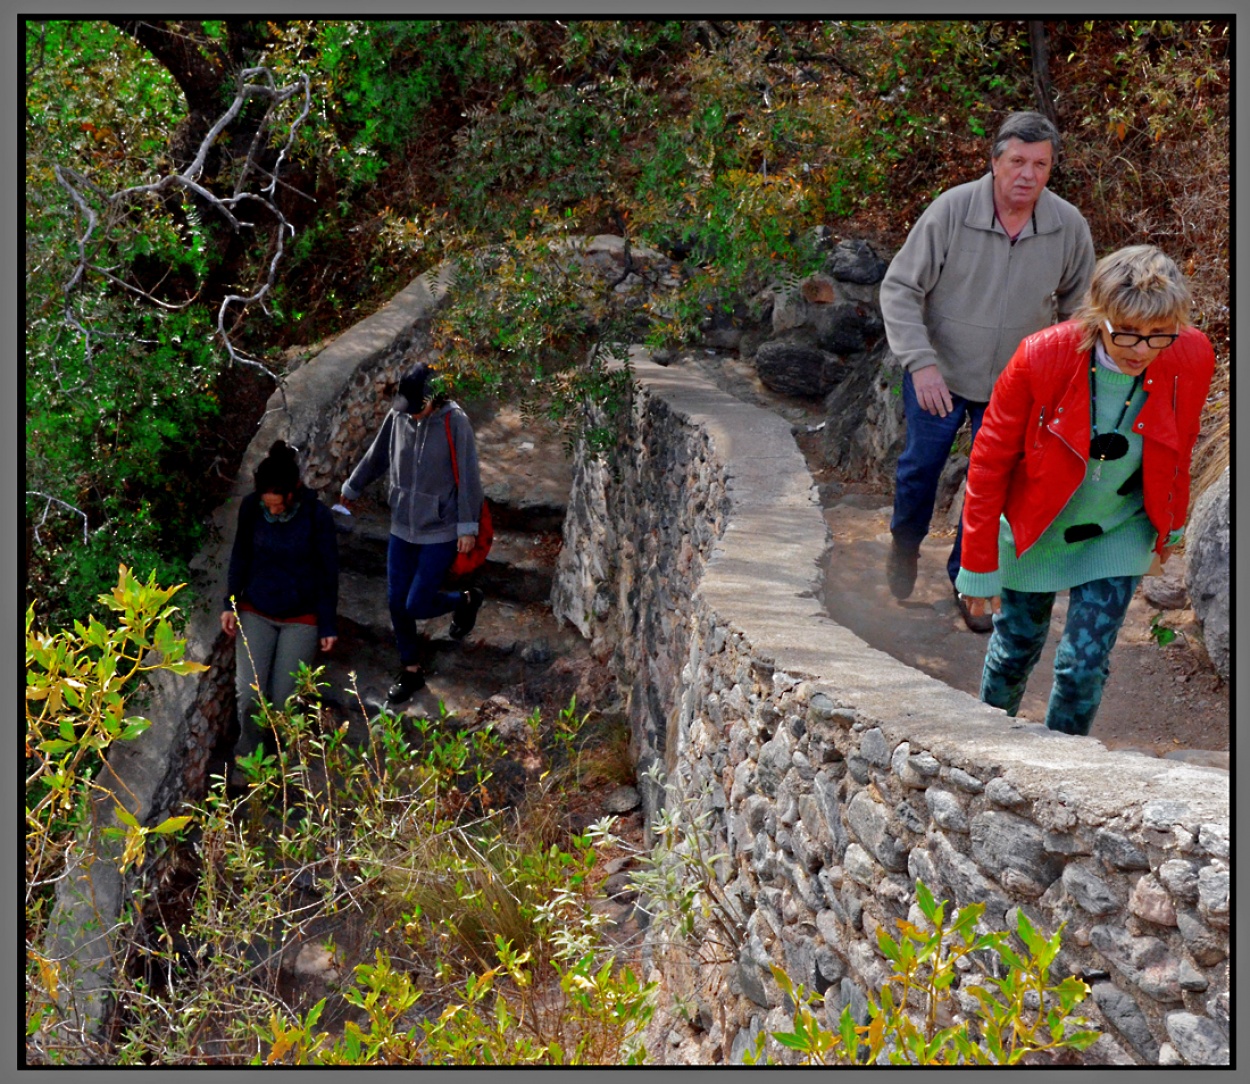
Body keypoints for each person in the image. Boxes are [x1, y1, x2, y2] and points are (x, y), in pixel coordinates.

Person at [954, 245, 1215, 735]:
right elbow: (989, 462)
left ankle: (1061, 770)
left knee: (1084, 665)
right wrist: (977, 562)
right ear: (1099, 317)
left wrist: (1171, 522)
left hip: (1119, 525)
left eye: (1159, 336)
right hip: (1037, 523)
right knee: (1015, 651)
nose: (1141, 350)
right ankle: (984, 750)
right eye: (1127, 334)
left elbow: (1180, 442)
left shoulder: (1191, 354)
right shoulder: (1041, 356)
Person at [879, 110, 1097, 630]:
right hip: (942, 374)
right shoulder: (952, 210)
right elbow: (901, 288)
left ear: (1050, 169)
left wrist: (1061, 376)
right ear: (995, 161)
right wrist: (921, 364)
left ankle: (969, 582)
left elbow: (1082, 309)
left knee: (991, 485)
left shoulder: (1068, 225)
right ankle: (905, 543)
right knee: (920, 470)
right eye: (1018, 161)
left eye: (1040, 164)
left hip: (1016, 386)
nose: (1028, 174)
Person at [340, 363, 485, 705]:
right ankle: (411, 670)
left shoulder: (455, 422)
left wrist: (467, 527)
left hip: (441, 528)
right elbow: (377, 456)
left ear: (434, 399)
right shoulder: (400, 417)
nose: (412, 416)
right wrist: (353, 487)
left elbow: (469, 478)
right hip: (402, 524)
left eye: (417, 409)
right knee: (396, 603)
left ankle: (466, 600)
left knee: (417, 602)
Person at [221, 440, 339, 768]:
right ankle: (251, 763)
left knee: (285, 699)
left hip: (301, 616)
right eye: (267, 504)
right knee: (249, 695)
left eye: (278, 505)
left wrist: (327, 623)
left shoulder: (317, 517)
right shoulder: (250, 509)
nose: (272, 510)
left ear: (294, 491)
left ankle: (285, 765)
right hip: (255, 610)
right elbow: (240, 558)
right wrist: (229, 604)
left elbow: (328, 573)